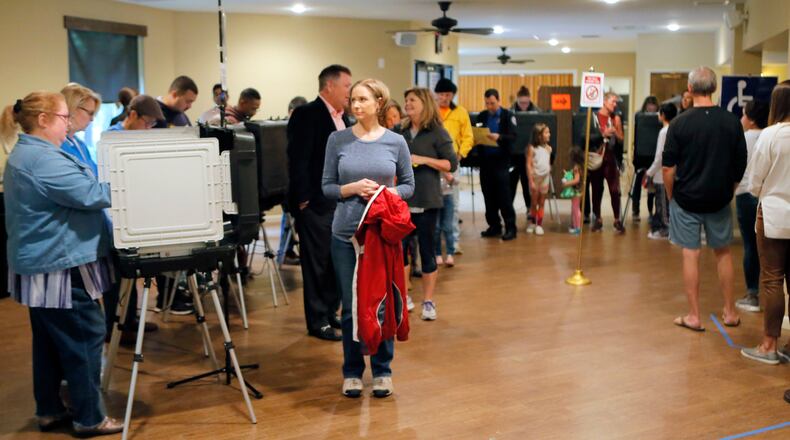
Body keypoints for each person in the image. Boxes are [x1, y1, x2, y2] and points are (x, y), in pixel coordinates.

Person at [1, 91, 122, 436]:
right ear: (43, 120)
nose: (68, 123)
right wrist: (132, 182)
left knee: (50, 342)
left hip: (44, 261)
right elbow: (92, 194)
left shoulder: (30, 153)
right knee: (85, 335)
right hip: (59, 263)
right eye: (64, 117)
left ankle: (50, 410)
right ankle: (90, 418)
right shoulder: (43, 159)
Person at [321, 78, 414, 398]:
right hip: (346, 236)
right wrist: (351, 189)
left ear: (379, 102)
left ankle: (383, 370)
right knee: (351, 308)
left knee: (382, 303)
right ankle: (352, 371)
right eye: (353, 100)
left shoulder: (395, 142)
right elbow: (327, 187)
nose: (356, 105)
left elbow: (409, 186)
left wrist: (385, 193)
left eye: (363, 99)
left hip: (381, 234)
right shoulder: (337, 139)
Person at [662, 66, 746, 332]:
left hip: (686, 198)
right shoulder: (731, 121)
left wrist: (671, 195)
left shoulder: (679, 123)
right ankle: (730, 312)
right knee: (723, 252)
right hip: (719, 198)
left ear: (689, 89)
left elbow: (668, 168)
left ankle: (694, 316)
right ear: (714, 88)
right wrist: (729, 189)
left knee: (691, 253)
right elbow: (740, 163)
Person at [287, 64, 352, 341]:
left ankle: (329, 311)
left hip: (341, 201)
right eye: (346, 86)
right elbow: (298, 159)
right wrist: (303, 199)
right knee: (317, 264)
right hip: (315, 202)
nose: (350, 92)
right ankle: (317, 321)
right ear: (329, 86)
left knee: (336, 260)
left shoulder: (344, 117)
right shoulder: (307, 114)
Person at [739, 84, 790, 368]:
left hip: (772, 214)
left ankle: (769, 345)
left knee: (772, 280)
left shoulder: (771, 135)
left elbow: (754, 181)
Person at [398, 87, 457, 321]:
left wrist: (422, 160)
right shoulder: (399, 131)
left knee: (427, 251)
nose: (407, 104)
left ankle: (429, 301)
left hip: (427, 202)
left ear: (424, 103)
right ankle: (404, 297)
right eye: (406, 100)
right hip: (402, 202)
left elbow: (450, 164)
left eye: (412, 100)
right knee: (400, 252)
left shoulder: (437, 133)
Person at [734, 100, 770, 312]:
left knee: (750, 245)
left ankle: (752, 294)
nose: (742, 118)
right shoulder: (770, 136)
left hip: (746, 194)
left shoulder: (744, 138)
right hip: (767, 196)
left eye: (744, 114)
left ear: (752, 119)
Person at [434, 78, 474, 254]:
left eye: (448, 95)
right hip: (433, 163)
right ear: (436, 94)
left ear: (453, 95)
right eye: (441, 94)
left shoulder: (461, 112)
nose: (444, 98)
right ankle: (435, 242)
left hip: (452, 162)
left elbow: (468, 136)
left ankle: (454, 241)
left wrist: (460, 154)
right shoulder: (431, 111)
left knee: (453, 203)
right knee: (434, 203)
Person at [475, 88, 518, 241]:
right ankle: (494, 226)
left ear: (499, 101)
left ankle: (511, 228)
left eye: (492, 103)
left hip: (501, 162)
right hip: (486, 163)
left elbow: (513, 136)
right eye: (487, 103)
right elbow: (476, 131)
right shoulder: (482, 116)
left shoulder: (508, 115)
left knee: (504, 196)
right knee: (488, 195)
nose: (489, 106)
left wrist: (499, 137)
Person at [588, 92, 626, 233]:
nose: (615, 104)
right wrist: (602, 134)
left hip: (611, 157)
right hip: (597, 157)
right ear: (604, 101)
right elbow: (586, 137)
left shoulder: (616, 118)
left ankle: (617, 219)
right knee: (596, 189)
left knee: (615, 190)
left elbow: (621, 139)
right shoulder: (593, 117)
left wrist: (615, 130)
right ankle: (598, 219)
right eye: (612, 101)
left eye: (616, 102)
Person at [644, 102, 678, 240]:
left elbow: (660, 157)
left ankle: (665, 229)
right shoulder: (675, 129)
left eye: (660, 112)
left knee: (662, 204)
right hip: (672, 172)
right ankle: (666, 228)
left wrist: (649, 172)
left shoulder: (664, 131)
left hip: (662, 174)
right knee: (666, 203)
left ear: (663, 115)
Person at [510, 86, 540, 227]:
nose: (523, 106)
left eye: (526, 103)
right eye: (521, 103)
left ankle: (530, 209)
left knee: (528, 183)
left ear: (529, 100)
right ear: (517, 100)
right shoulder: (510, 112)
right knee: (511, 183)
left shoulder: (537, 112)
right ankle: (508, 210)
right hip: (513, 155)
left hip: (529, 155)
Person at [631, 95, 660, 223]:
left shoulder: (659, 117)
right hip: (641, 156)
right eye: (649, 105)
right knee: (638, 184)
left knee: (652, 186)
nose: (651, 107)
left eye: (653, 105)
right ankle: (635, 210)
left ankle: (651, 211)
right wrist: (635, 155)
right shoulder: (639, 116)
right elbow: (636, 136)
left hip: (653, 156)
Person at [525, 123, 552, 236]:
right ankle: (532, 222)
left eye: (549, 132)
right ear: (539, 135)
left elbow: (547, 162)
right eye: (546, 132)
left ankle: (539, 224)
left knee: (541, 202)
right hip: (535, 178)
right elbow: (528, 164)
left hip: (545, 179)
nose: (549, 134)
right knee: (534, 202)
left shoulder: (549, 148)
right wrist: (531, 181)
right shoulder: (532, 148)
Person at [562, 145, 588, 235]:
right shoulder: (580, 166)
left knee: (576, 209)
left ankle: (577, 228)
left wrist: (567, 183)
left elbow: (576, 180)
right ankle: (575, 226)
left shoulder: (576, 167)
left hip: (576, 191)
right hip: (579, 190)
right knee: (575, 208)